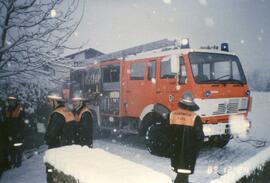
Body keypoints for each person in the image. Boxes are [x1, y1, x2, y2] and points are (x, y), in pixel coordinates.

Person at [170, 92, 204, 183]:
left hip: (175, 152)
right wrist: (196, 150)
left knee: (179, 173)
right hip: (188, 154)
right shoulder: (195, 118)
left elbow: (168, 134)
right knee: (183, 175)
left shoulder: (172, 114)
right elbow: (199, 138)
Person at [44, 91, 75, 183]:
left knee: (52, 173)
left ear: (55, 101)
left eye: (50, 101)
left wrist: (46, 137)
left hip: (56, 148)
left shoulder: (57, 114)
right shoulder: (67, 111)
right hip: (67, 147)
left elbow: (52, 133)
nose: (48, 103)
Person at [4, 96, 25, 168]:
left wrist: (20, 132)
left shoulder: (19, 110)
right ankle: (12, 161)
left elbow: (22, 122)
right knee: (11, 147)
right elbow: (6, 121)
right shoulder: (8, 109)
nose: (11, 102)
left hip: (17, 132)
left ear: (15, 101)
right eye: (9, 101)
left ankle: (18, 162)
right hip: (10, 132)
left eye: (12, 101)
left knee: (18, 147)